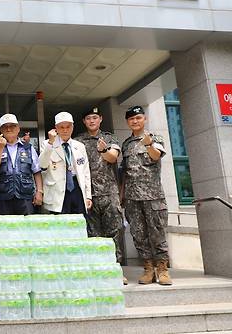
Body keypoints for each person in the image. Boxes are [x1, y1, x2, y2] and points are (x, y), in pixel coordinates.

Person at [120, 105, 171, 285]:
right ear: (128, 122)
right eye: (131, 119)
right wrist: (121, 196)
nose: (135, 121)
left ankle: (163, 269)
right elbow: (125, 173)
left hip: (153, 196)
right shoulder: (126, 144)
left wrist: (148, 143)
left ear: (144, 119)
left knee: (157, 233)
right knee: (139, 235)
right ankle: (148, 268)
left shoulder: (154, 138)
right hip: (133, 198)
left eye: (138, 118)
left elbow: (156, 156)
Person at [76, 107, 127, 285]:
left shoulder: (109, 138)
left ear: (100, 119)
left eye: (95, 117)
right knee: (93, 235)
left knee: (113, 231)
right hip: (88, 195)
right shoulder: (78, 141)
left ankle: (115, 270)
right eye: (88, 118)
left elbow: (113, 157)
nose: (92, 121)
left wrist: (104, 151)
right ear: (84, 121)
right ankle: (98, 271)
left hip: (109, 192)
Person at [39, 111, 92, 215]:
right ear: (56, 128)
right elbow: (42, 165)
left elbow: (86, 172)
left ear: (72, 127)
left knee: (79, 223)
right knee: (60, 226)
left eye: (68, 127)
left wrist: (88, 195)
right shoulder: (47, 144)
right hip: (57, 191)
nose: (65, 130)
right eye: (61, 127)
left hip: (77, 187)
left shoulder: (79, 146)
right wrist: (50, 143)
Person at [0, 114, 43, 215]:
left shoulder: (28, 148)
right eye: (5, 127)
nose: (9, 129)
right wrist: (0, 148)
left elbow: (36, 171)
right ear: (1, 130)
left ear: (18, 128)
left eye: (12, 126)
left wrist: (39, 191)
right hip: (3, 196)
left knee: (26, 227)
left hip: (25, 194)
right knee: (4, 227)